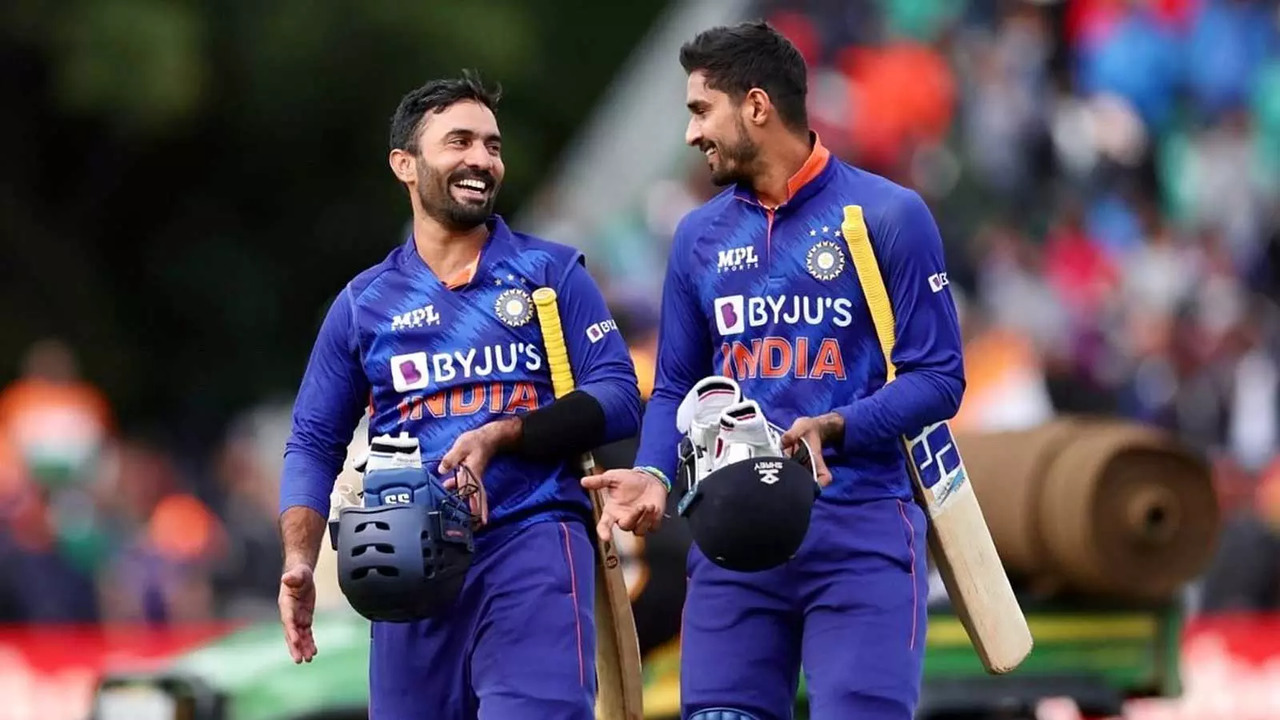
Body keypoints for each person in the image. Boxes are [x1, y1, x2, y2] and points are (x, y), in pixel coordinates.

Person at [588, 21, 966, 720]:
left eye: (701, 109)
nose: (690, 134)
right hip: (730, 540)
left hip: (860, 527)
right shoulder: (699, 236)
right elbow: (676, 384)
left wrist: (840, 425)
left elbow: (939, 377)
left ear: (756, 106)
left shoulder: (887, 215)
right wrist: (653, 472)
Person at [275, 72, 645, 719]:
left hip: (532, 540)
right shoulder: (364, 303)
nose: (481, 159)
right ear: (405, 164)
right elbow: (312, 439)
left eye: (492, 146)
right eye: (460, 142)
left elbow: (617, 394)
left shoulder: (550, 274)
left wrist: (509, 432)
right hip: (402, 563)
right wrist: (300, 562)